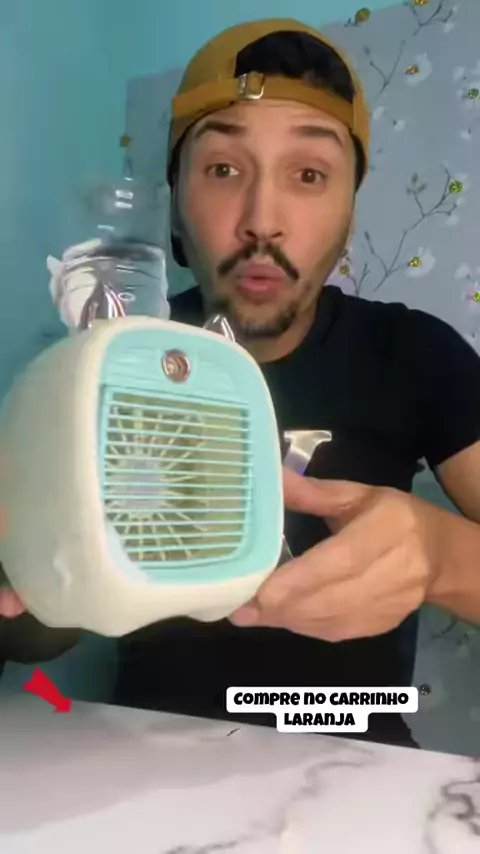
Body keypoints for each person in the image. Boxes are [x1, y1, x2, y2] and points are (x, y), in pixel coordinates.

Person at [3, 19, 480, 750]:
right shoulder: (106, 362)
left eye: (309, 175)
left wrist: (441, 559)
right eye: (223, 169)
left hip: (356, 763)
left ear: (349, 213)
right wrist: (34, 574)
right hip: (142, 761)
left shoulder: (412, 353)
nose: (262, 222)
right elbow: (36, 634)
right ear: (175, 202)